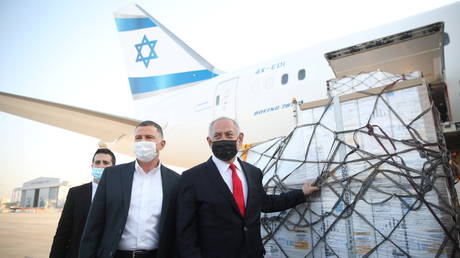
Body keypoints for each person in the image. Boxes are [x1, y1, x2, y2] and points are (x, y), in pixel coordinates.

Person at [176, 117, 320, 258]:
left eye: (229, 134)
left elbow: (266, 203)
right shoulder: (192, 178)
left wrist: (301, 193)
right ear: (209, 141)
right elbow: (186, 232)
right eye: (217, 136)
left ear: (240, 138)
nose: (224, 139)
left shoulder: (253, 173)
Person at [79, 120, 180, 258]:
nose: (142, 141)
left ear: (161, 144)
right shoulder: (112, 175)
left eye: (149, 137)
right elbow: (93, 225)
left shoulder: (175, 181)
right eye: (138, 138)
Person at [50, 148, 116, 258]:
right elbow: (63, 232)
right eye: (97, 162)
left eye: (105, 163)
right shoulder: (75, 193)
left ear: (113, 167)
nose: (101, 165)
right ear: (92, 166)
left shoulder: (121, 194)